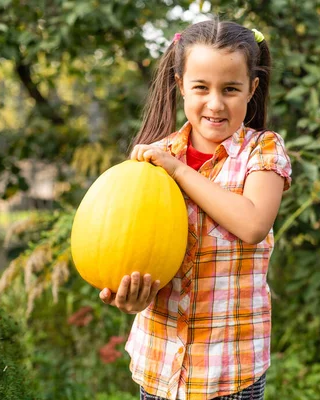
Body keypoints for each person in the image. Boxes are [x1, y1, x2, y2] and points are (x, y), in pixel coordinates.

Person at [98, 19, 292, 400]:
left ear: (252, 89)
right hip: (159, 366)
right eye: (201, 87)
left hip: (230, 370)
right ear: (180, 84)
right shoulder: (156, 161)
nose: (215, 103)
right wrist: (132, 294)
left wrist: (179, 171)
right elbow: (134, 247)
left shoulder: (262, 150)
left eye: (231, 89)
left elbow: (253, 223)